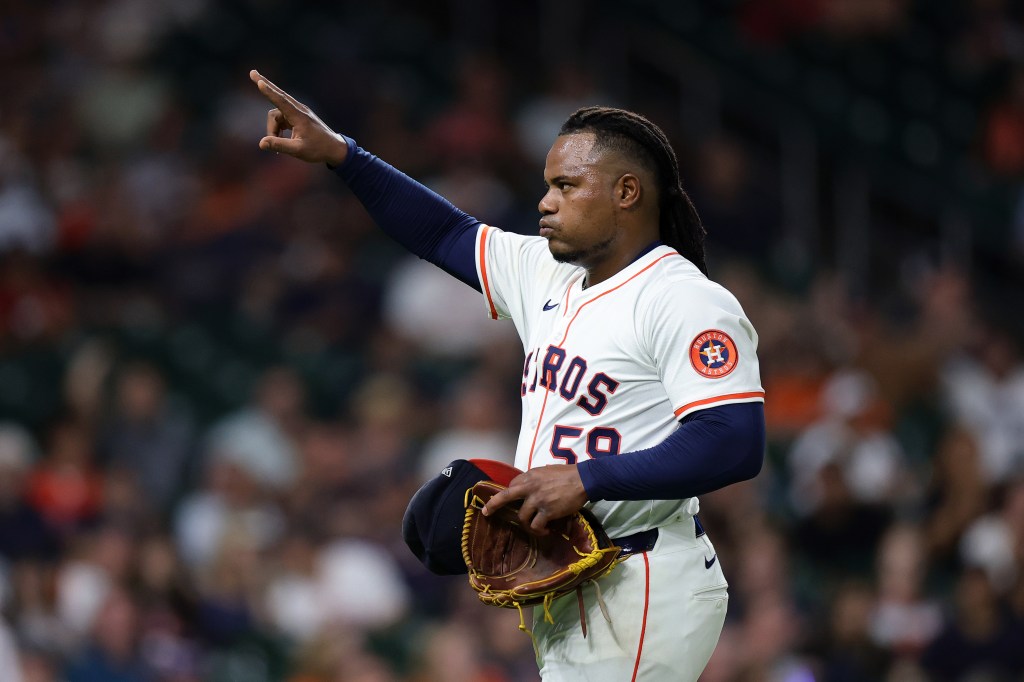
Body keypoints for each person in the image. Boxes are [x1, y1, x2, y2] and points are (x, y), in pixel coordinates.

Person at [249, 69, 767, 682]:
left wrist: (585, 479)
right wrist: (342, 154)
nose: (545, 202)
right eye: (548, 185)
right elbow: (444, 231)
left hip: (641, 579)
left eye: (566, 186)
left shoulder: (683, 300)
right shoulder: (548, 273)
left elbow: (734, 440)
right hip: (576, 576)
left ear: (627, 192)